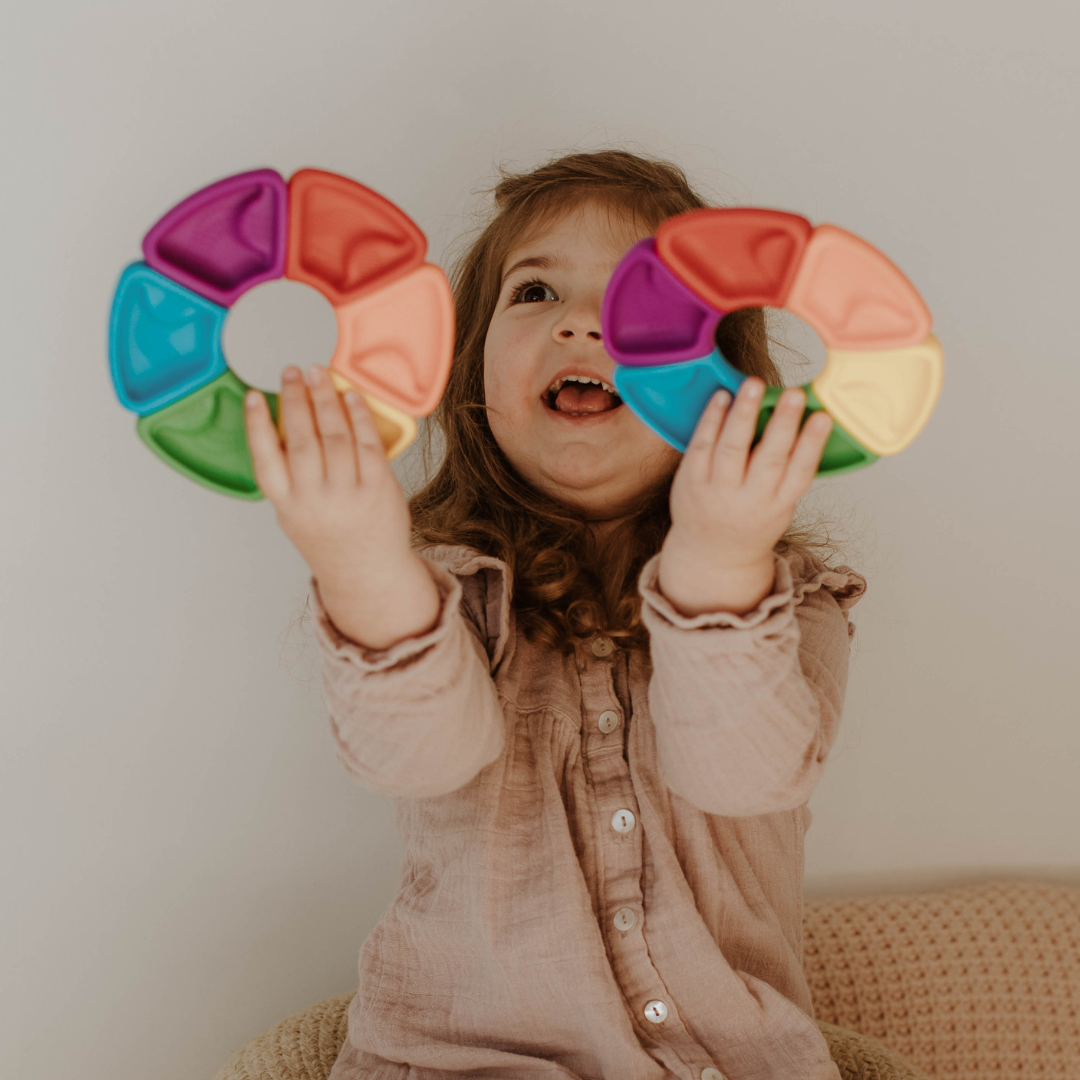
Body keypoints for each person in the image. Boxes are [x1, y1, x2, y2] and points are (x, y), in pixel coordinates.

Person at [243, 149, 868, 1080]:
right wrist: (363, 568)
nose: (583, 322)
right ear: (471, 371)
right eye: (535, 294)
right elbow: (422, 753)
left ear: (722, 387)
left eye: (641, 300)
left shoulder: (794, 605)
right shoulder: (441, 591)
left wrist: (720, 564)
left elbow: (743, 773)